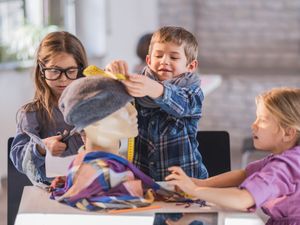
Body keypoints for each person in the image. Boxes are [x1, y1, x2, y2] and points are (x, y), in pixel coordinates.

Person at [166, 87, 300, 225]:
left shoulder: (286, 166)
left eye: (263, 120)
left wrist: (195, 190)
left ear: (288, 133)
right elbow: (244, 174)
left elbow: (244, 199)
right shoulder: (289, 157)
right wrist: (203, 183)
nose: (254, 125)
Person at [51, 76, 180, 210]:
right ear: (95, 121)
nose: (134, 112)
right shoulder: (102, 174)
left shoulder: (111, 167)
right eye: (122, 107)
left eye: (131, 105)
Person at [106, 26, 208, 181]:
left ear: (190, 66)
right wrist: (111, 75)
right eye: (158, 55)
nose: (164, 61)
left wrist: (153, 88)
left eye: (174, 57)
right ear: (148, 60)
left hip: (186, 183)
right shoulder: (138, 87)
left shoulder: (192, 92)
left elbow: (182, 105)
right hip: (144, 179)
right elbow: (106, 107)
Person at [10, 31, 88, 186]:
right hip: (50, 191)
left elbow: (113, 146)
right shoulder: (31, 113)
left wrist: (98, 138)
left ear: (81, 70)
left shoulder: (91, 107)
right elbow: (19, 160)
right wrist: (41, 148)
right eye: (55, 70)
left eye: (71, 71)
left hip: (90, 186)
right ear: (41, 69)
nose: (63, 79)